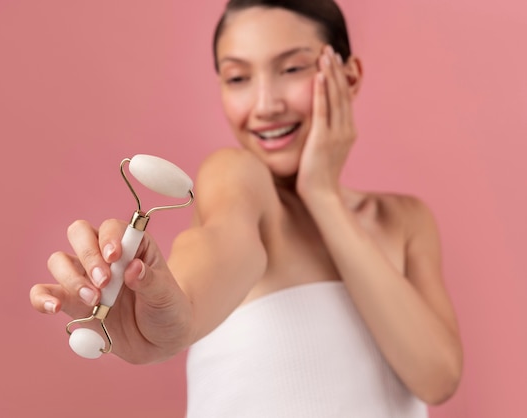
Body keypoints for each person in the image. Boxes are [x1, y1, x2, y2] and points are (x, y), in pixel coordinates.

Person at [30, 0, 463, 416]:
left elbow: (437, 378)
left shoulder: (404, 221)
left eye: (293, 69)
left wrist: (323, 196)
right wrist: (173, 321)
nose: (265, 105)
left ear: (348, 78)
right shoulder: (235, 177)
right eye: (238, 78)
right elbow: (218, 249)